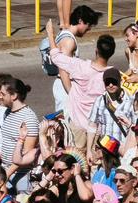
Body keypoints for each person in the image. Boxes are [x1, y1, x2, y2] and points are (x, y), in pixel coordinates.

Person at [45, 19, 114, 149]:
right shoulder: (112, 75)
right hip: (98, 128)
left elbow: (56, 57)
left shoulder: (80, 67)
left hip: (78, 126)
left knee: (76, 162)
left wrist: (50, 34)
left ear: (96, 50)